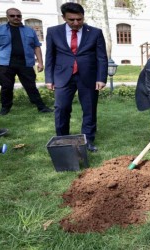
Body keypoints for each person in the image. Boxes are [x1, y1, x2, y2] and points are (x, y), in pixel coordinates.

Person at [45, 2, 108, 152]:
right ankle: (62, 139)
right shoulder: (53, 32)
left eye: (79, 19)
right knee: (61, 108)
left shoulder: (95, 32)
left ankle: (88, 140)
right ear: (64, 18)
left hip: (88, 76)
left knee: (89, 108)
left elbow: (102, 57)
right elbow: (50, 56)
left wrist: (101, 78)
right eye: (71, 20)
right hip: (62, 76)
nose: (76, 23)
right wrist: (49, 78)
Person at [0, 8, 53, 116]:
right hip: (5, 63)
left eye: (18, 15)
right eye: (13, 16)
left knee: (31, 86)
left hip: (25, 63)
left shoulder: (29, 30)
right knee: (6, 87)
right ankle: (5, 108)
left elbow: (37, 47)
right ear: (8, 17)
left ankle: (41, 107)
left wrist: (40, 63)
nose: (16, 18)